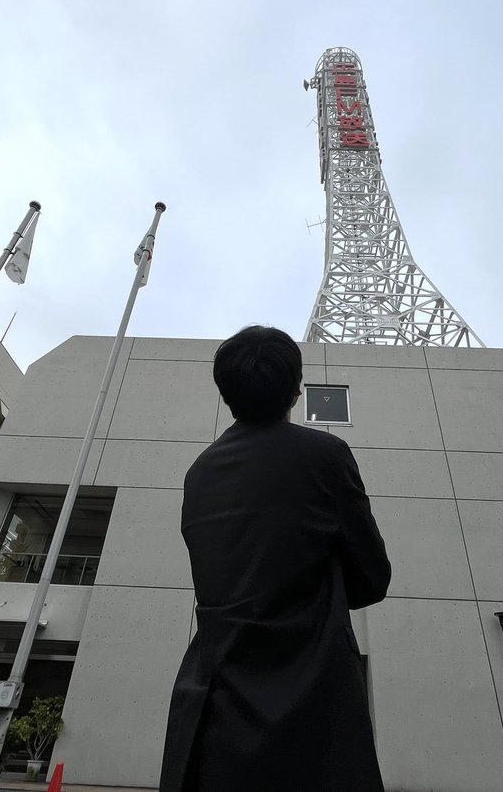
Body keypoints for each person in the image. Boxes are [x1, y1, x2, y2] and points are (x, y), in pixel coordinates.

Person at [158, 326, 392, 792]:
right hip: (311, 702)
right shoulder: (325, 454)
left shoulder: (199, 472)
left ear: (225, 394)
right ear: (297, 389)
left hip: (212, 700)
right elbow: (373, 578)